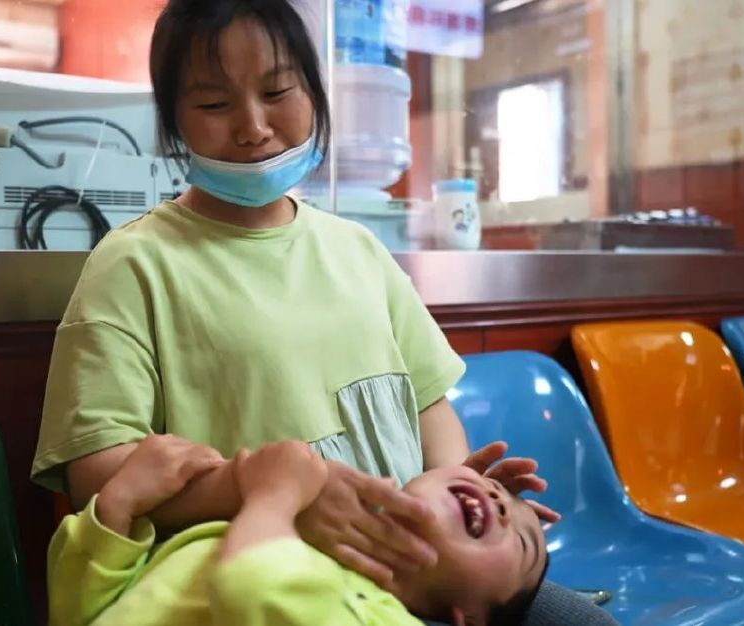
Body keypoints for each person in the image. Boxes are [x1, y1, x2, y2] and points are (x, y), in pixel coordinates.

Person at [31, 1, 616, 623]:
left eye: (277, 90)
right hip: (250, 591)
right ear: (172, 121)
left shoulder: (357, 249)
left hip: (406, 579)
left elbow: (427, 403)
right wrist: (272, 494)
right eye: (213, 104)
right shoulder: (132, 265)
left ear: (315, 91)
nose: (253, 126)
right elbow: (96, 476)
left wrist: (450, 496)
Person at [48, 437, 550, 626]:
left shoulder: (375, 618)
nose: (504, 505)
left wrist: (272, 494)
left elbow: (254, 587)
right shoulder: (285, 539)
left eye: (523, 543)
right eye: (503, 496)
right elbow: (85, 614)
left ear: (468, 621)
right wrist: (118, 505)